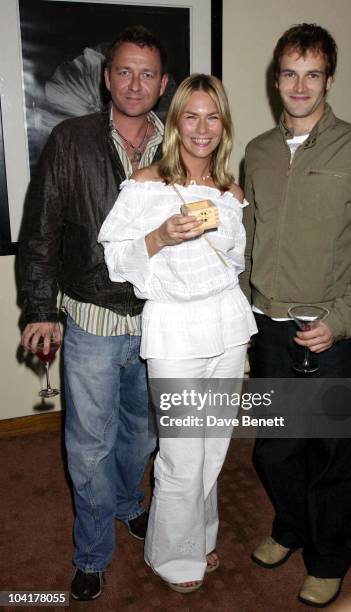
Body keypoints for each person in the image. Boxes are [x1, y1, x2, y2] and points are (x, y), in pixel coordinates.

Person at [241, 23, 351, 608]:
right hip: (267, 330)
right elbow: (247, 243)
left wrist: (343, 319)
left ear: (328, 78)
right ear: (275, 77)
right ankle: (289, 526)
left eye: (312, 75)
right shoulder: (256, 151)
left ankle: (329, 556)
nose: (299, 86)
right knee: (275, 447)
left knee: (330, 452)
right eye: (288, 73)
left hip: (327, 332)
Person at [18, 25, 168, 601]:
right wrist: (40, 307)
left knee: (141, 434)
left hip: (158, 322)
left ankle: (130, 503)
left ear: (161, 83)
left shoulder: (179, 144)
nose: (135, 83)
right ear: (107, 77)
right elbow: (41, 233)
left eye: (147, 73)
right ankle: (90, 552)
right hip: (92, 321)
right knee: (88, 444)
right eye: (124, 71)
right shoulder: (70, 139)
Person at [99, 73, 257, 593]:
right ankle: (171, 556)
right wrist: (162, 235)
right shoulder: (147, 185)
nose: (202, 127)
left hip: (227, 329)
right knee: (182, 452)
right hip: (174, 331)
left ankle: (199, 537)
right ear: (175, 123)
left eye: (213, 116)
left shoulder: (231, 193)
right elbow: (117, 260)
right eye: (191, 115)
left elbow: (234, 264)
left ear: (224, 125)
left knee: (213, 447)